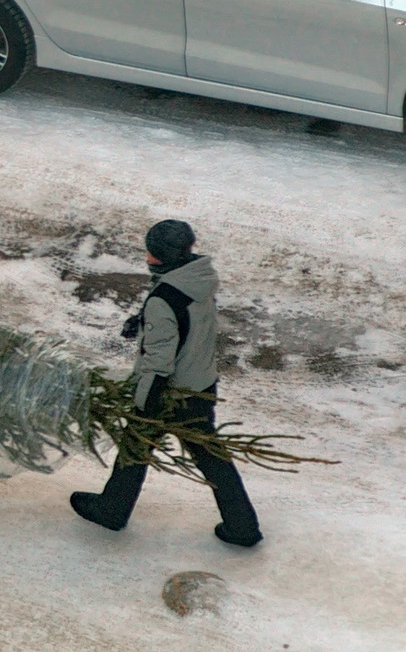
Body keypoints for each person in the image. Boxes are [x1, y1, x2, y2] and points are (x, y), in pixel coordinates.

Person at [69, 220, 263, 547]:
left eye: (151, 251)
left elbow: (160, 362)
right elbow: (188, 322)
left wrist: (143, 405)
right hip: (201, 384)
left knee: (136, 443)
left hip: (171, 392)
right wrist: (142, 321)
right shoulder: (196, 279)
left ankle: (111, 511)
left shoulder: (163, 298)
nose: (146, 255)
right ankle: (243, 527)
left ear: (161, 256)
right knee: (211, 457)